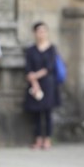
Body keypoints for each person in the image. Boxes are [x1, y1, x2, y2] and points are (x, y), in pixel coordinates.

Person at [24, 21, 61, 150]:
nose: (42, 34)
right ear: (35, 33)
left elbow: (49, 67)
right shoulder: (30, 50)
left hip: (48, 84)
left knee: (47, 112)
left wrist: (35, 76)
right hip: (35, 85)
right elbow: (28, 68)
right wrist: (34, 83)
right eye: (39, 31)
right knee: (36, 113)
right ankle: (38, 139)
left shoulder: (52, 49)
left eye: (44, 31)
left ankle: (48, 140)